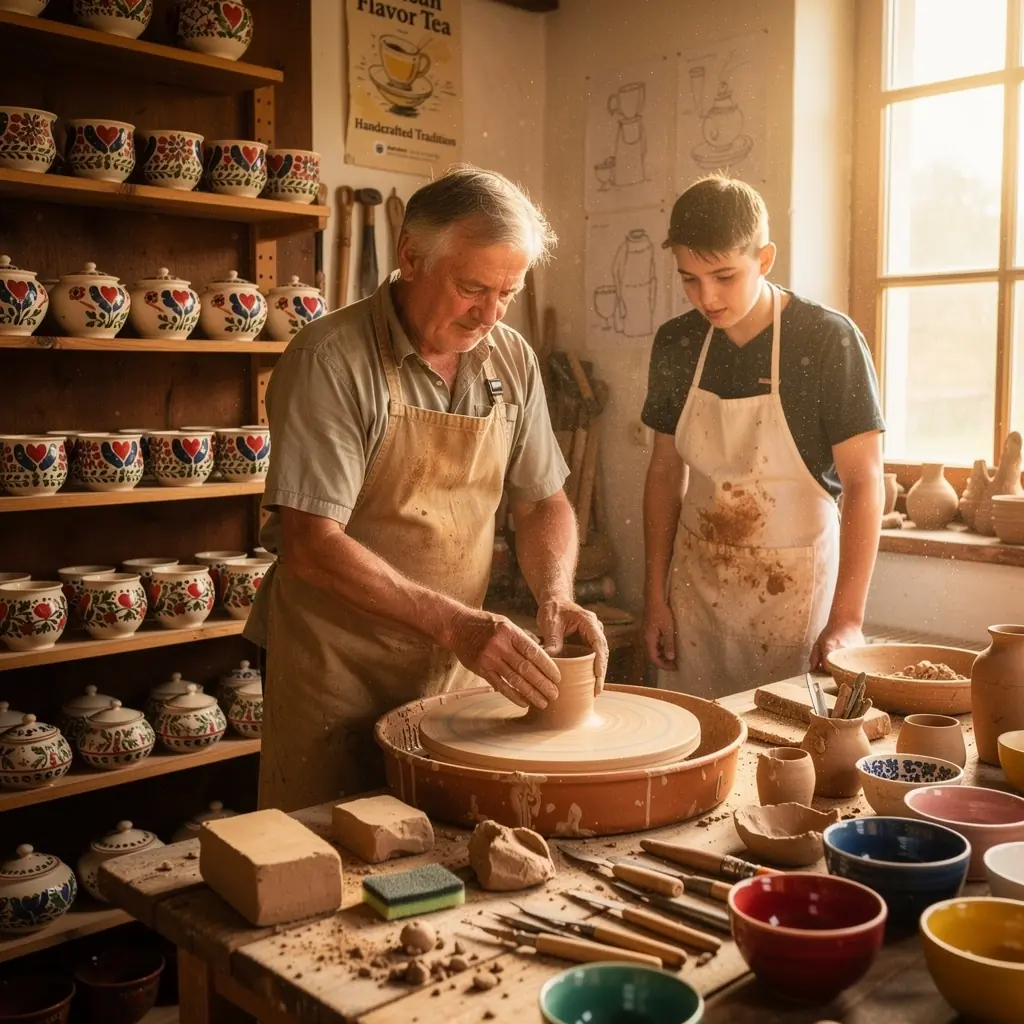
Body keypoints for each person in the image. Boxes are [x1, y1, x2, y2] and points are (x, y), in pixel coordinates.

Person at [246, 165, 608, 812]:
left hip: (452, 665)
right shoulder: (331, 358)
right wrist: (457, 625)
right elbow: (310, 544)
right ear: (411, 257)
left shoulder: (511, 357)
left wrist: (556, 594)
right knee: (332, 872)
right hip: (336, 672)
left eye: (508, 292)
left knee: (444, 857)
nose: (490, 314)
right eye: (473, 288)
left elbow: (542, 500)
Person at [641, 175, 885, 699]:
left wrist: (846, 618)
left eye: (724, 276)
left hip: (792, 594)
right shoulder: (677, 344)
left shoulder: (826, 340)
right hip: (696, 590)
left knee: (785, 754)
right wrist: (654, 596)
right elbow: (665, 472)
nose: (706, 297)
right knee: (694, 745)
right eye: (689, 279)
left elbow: (864, 483)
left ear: (765, 258)